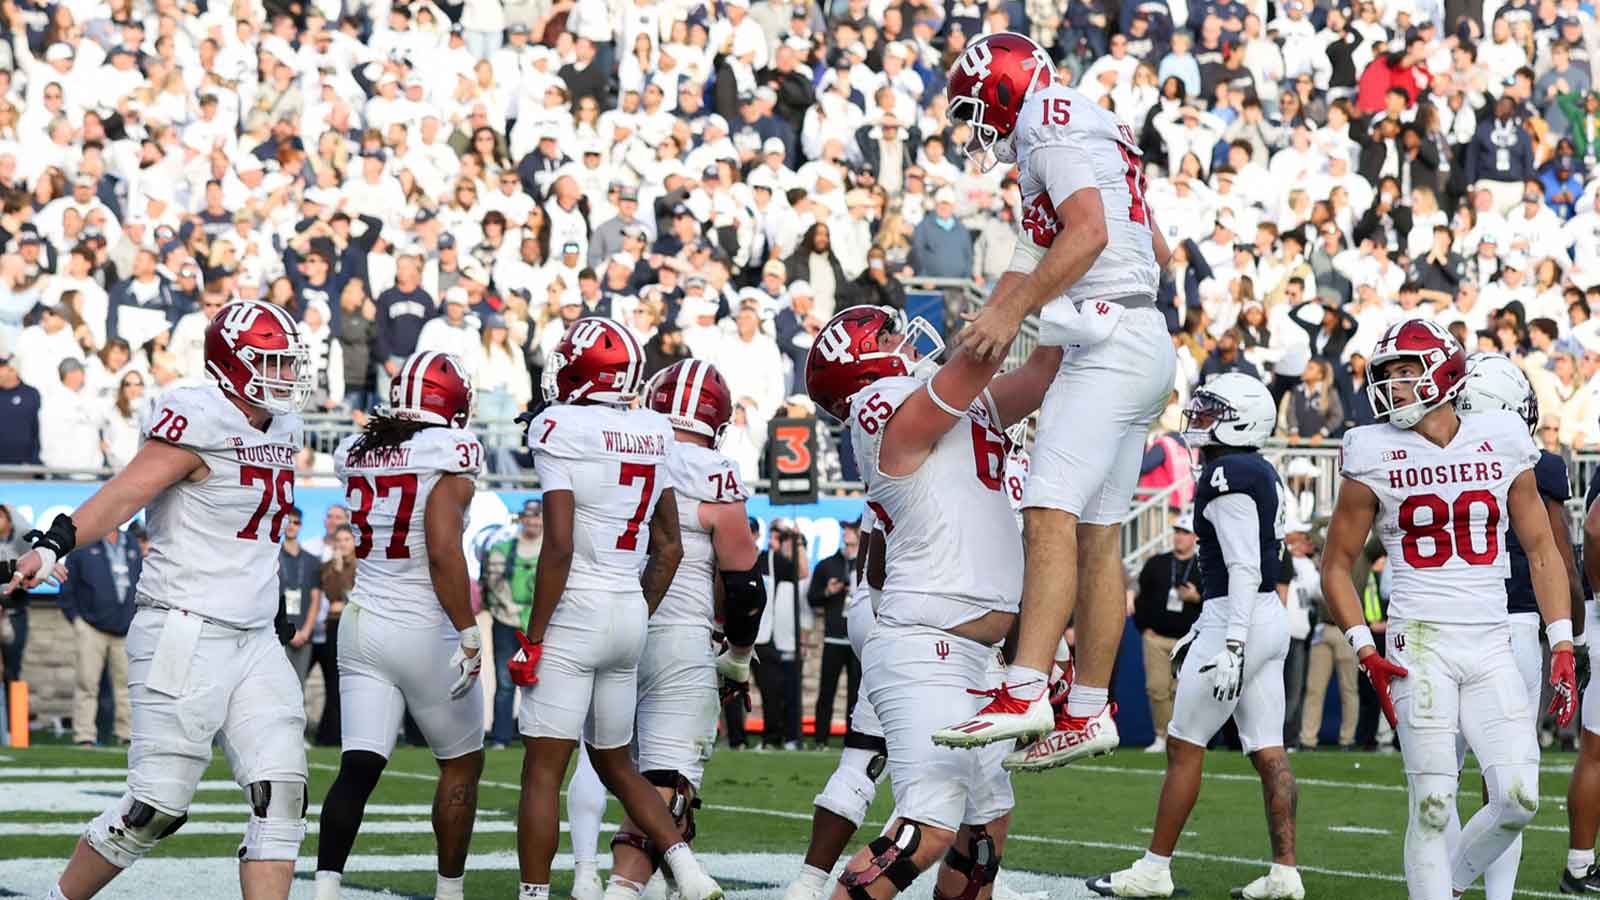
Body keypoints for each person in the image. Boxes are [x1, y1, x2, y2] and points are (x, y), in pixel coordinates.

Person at [7, 299, 315, 900]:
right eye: (271, 363)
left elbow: (257, 537)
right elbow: (125, 495)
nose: (285, 376)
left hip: (254, 637)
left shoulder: (285, 426)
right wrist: (53, 546)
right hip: (186, 629)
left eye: (289, 363)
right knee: (156, 807)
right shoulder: (197, 416)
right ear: (232, 365)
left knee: (282, 797)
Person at [933, 32, 1177, 767]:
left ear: (1006, 89)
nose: (978, 128)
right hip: (1140, 335)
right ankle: (1088, 709)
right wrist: (986, 327)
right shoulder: (1081, 122)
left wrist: (1015, 317)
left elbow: (1090, 233)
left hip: (1106, 342)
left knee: (1048, 510)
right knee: (1099, 533)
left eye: (978, 109)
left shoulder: (1048, 121)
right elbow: (1145, 248)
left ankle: (1025, 687)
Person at [804, 305, 1060, 900]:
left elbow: (1043, 372)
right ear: (863, 363)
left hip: (979, 655)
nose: (903, 339)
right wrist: (1012, 298)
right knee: (926, 830)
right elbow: (975, 366)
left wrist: (1061, 302)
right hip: (926, 644)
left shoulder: (947, 398)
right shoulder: (881, 405)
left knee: (984, 835)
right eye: (888, 335)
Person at [1320, 318, 1577, 900]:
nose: (1392, 385)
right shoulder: (1372, 450)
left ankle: (1449, 883)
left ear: (1446, 371)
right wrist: (1365, 646)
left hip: (1490, 640)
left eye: (1405, 372)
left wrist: (1561, 641)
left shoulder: (1502, 436)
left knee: (1518, 797)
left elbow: (1542, 549)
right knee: (1433, 802)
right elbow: (1336, 564)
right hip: (1420, 641)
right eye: (1386, 374)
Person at [510, 317, 723, 900]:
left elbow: (557, 546)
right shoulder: (653, 429)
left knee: (543, 772)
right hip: (628, 609)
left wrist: (534, 636)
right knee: (617, 762)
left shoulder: (560, 426)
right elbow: (670, 546)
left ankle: (533, 894)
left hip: (576, 607)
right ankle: (687, 868)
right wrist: (637, 610)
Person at [1089, 373, 1302, 900]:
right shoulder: (1258, 469)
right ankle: (1285, 872)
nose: (1199, 418)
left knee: (1184, 745)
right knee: (1269, 749)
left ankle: (1154, 868)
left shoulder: (1226, 472)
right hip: (1263, 618)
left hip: (1239, 616)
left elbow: (1243, 564)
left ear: (1240, 418)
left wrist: (1229, 642)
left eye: (1211, 410)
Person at [313, 351, 486, 900]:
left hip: (363, 623)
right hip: (424, 625)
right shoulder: (449, 450)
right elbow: (441, 549)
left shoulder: (355, 451)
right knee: (461, 763)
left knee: (358, 767)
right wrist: (468, 628)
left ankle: (324, 888)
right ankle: (449, 892)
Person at [597, 359, 764, 899]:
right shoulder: (714, 471)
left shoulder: (623, 446)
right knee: (664, 787)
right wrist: (738, 654)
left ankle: (590, 877)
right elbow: (743, 585)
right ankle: (621, 891)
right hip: (676, 635)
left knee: (612, 769)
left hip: (609, 627)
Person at [1454, 352, 1583, 900]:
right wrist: (1570, 638)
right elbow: (1556, 557)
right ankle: (1459, 888)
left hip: (1447, 622)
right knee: (1506, 785)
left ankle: (1444, 887)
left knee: (1440, 786)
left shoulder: (1432, 457)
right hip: (1511, 629)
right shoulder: (1539, 464)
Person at [59, 525, 140, 747]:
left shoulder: (131, 542)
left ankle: (128, 734)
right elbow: (67, 587)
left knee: (127, 685)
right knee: (87, 683)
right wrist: (77, 620)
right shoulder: (82, 546)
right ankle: (84, 735)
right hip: (91, 627)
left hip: (125, 627)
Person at [1131, 512, 1205, 753]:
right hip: (1157, 637)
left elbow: (1217, 602)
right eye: (1177, 532)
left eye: (1184, 533)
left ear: (1194, 537)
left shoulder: (1204, 566)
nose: (1179, 537)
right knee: (1157, 687)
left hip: (1189, 638)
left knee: (1184, 690)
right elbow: (1141, 599)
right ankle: (1162, 736)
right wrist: (1144, 628)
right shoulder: (1157, 563)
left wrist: (1196, 597)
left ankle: (1184, 738)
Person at [481, 500, 542, 750]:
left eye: (538, 517)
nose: (534, 522)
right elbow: (493, 581)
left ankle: (539, 735)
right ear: (522, 519)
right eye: (530, 517)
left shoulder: (551, 549)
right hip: (508, 622)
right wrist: (510, 606)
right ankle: (501, 736)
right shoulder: (503, 548)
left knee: (542, 681)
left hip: (539, 624)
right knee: (505, 682)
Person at [808, 521, 860, 749]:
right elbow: (812, 598)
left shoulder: (868, 563)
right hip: (833, 636)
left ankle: (854, 741)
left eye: (851, 528)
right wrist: (829, 591)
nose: (846, 532)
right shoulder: (828, 564)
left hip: (857, 639)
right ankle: (820, 739)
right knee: (826, 691)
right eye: (845, 529)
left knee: (856, 695)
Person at [279, 508, 322, 689]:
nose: (291, 526)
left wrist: (305, 631)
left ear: (301, 526)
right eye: (288, 521)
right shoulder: (273, 557)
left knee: (298, 687)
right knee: (276, 688)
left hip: (304, 635)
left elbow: (316, 599)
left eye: (295, 522)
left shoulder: (312, 560)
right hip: (278, 634)